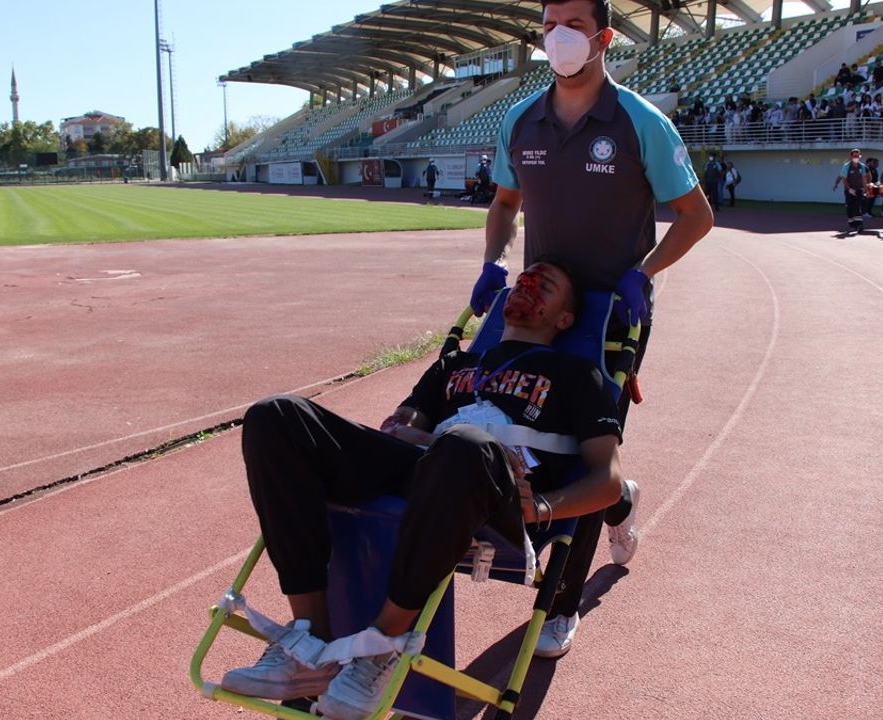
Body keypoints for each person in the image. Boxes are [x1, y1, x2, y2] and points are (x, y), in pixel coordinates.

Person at [221, 260, 624, 718]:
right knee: (275, 417)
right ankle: (308, 642)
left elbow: (607, 480)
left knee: (464, 445)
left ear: (564, 319)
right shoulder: (455, 363)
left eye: (545, 285)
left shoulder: (577, 375)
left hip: (497, 490)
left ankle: (381, 649)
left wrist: (543, 509)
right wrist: (404, 428)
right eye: (523, 279)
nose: (528, 285)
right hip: (429, 466)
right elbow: (406, 422)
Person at [470, 0, 713, 659]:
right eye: (550, 22)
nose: (559, 35)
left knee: (586, 452)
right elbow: (504, 203)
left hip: (612, 318)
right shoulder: (521, 121)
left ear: (603, 36)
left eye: (574, 23)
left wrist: (646, 272)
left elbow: (696, 215)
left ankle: (560, 602)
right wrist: (493, 261)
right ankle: (620, 501)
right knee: (526, 437)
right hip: (537, 312)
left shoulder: (641, 124)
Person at [833, 149, 869, 233]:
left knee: (857, 206)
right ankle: (851, 223)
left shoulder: (862, 166)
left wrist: (866, 190)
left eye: (858, 156)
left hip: (858, 189)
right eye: (854, 156)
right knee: (850, 207)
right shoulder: (846, 166)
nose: (856, 157)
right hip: (849, 189)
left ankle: (859, 224)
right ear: (851, 156)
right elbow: (844, 179)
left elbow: (864, 179)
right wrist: (849, 188)